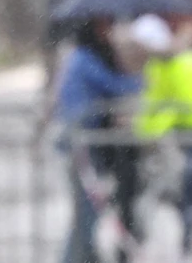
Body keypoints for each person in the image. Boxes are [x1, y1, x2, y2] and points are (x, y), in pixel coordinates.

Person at [130, 13, 192, 255]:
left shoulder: (185, 63)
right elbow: (155, 102)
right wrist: (141, 128)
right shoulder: (162, 65)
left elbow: (175, 107)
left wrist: (145, 131)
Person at [53, 17, 145, 263]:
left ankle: (85, 256)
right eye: (105, 27)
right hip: (80, 143)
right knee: (87, 211)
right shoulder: (84, 58)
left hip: (86, 141)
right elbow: (114, 85)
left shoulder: (84, 56)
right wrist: (143, 78)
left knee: (91, 210)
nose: (110, 33)